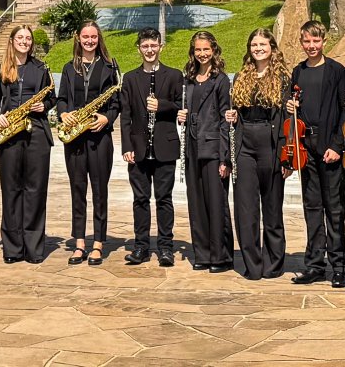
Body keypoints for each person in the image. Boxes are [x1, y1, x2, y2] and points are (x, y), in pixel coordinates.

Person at [288, 19, 345, 286]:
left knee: (334, 209)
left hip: (329, 147)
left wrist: (337, 146)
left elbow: (344, 111)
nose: (311, 46)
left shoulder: (336, 71)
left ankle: (339, 265)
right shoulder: (297, 72)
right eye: (307, 41)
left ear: (324, 41)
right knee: (311, 207)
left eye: (316, 41)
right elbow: (295, 110)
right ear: (301, 42)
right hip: (306, 148)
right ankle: (315, 264)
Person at [55, 19, 119, 266]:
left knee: (100, 191)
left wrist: (106, 117)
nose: (89, 40)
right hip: (75, 137)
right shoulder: (70, 68)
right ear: (78, 39)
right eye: (85, 36)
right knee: (78, 191)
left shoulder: (110, 66)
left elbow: (117, 101)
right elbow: (61, 99)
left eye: (93, 36)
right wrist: (63, 113)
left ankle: (99, 243)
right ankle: (79, 242)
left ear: (98, 38)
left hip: (99, 137)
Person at [226, 28, 287, 280]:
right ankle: (252, 263)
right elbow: (234, 110)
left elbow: (286, 118)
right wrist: (232, 116)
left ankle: (273, 264)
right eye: (254, 44)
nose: (258, 48)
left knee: (272, 208)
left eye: (263, 44)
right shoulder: (242, 75)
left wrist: (285, 155)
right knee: (246, 208)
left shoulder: (283, 76)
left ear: (272, 47)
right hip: (245, 146)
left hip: (271, 145)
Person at [0, 24, 53, 263]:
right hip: (9, 132)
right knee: (11, 190)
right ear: (12, 41)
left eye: (28, 38)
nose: (24, 41)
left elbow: (52, 98)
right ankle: (13, 248)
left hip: (36, 131)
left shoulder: (41, 68)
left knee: (35, 190)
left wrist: (44, 106)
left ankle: (34, 248)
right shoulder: (1, 69)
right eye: (20, 37)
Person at [119, 27, 182, 267]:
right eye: (145, 46)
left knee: (164, 199)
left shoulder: (174, 75)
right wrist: (127, 146)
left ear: (160, 47)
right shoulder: (130, 78)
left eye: (153, 45)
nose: (149, 50)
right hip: (139, 148)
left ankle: (166, 247)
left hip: (165, 146)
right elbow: (125, 116)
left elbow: (180, 106)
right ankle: (141, 247)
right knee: (140, 199)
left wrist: (161, 105)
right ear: (139, 48)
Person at [179, 29, 234, 273]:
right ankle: (201, 253)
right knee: (197, 203)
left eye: (206, 50)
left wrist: (225, 157)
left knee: (216, 203)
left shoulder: (221, 80)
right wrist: (181, 115)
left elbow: (225, 119)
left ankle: (220, 256)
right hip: (192, 147)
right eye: (198, 50)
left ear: (214, 51)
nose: (202, 54)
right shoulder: (188, 78)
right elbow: (187, 109)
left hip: (213, 149)